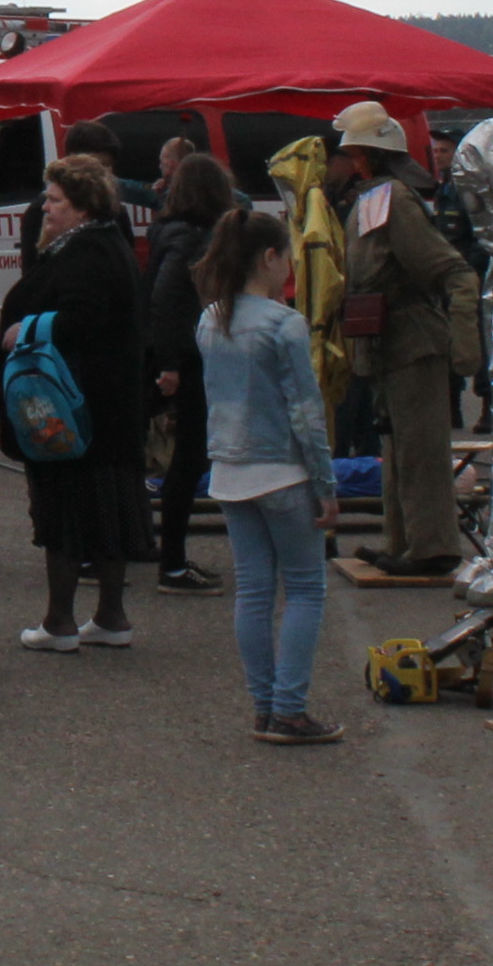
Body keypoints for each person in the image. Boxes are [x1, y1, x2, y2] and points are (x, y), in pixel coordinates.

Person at [194, 209, 344, 742]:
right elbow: (306, 412)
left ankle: (264, 706)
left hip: (229, 470)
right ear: (269, 257)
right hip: (283, 471)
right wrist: (326, 486)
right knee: (305, 589)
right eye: (288, 257)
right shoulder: (285, 323)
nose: (289, 268)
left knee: (254, 592)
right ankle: (290, 708)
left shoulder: (211, 318)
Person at [2, 155, 155, 654]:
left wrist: (25, 329)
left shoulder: (85, 252)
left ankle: (59, 621)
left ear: (83, 206)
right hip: (110, 407)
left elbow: (83, 317)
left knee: (65, 510)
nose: (45, 208)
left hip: (75, 408)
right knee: (109, 511)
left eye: (55, 200)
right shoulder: (109, 243)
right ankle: (111, 616)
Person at [330, 102, 474, 576]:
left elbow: (450, 269)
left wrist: (466, 338)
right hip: (388, 343)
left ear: (367, 155)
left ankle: (432, 549)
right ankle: (402, 542)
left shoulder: (395, 199)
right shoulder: (375, 198)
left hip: (413, 342)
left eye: (350, 152)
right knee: (396, 448)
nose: (345, 161)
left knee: (420, 450)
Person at [146, 151, 239, 594]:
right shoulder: (193, 239)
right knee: (189, 457)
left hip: (182, 355)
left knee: (187, 456)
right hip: (190, 358)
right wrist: (171, 360)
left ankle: (170, 557)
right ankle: (174, 563)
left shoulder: (172, 230)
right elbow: (167, 298)